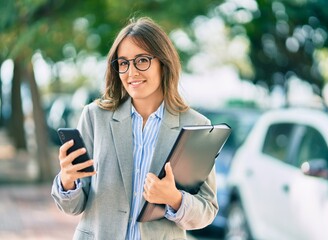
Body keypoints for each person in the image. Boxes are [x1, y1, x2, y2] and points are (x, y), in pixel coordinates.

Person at [51, 17, 218, 240]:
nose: (131, 72)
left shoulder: (196, 126)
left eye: (142, 60)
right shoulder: (94, 117)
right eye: (123, 63)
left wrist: (174, 198)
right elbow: (72, 206)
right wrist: (67, 180)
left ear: (163, 62)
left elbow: (207, 210)